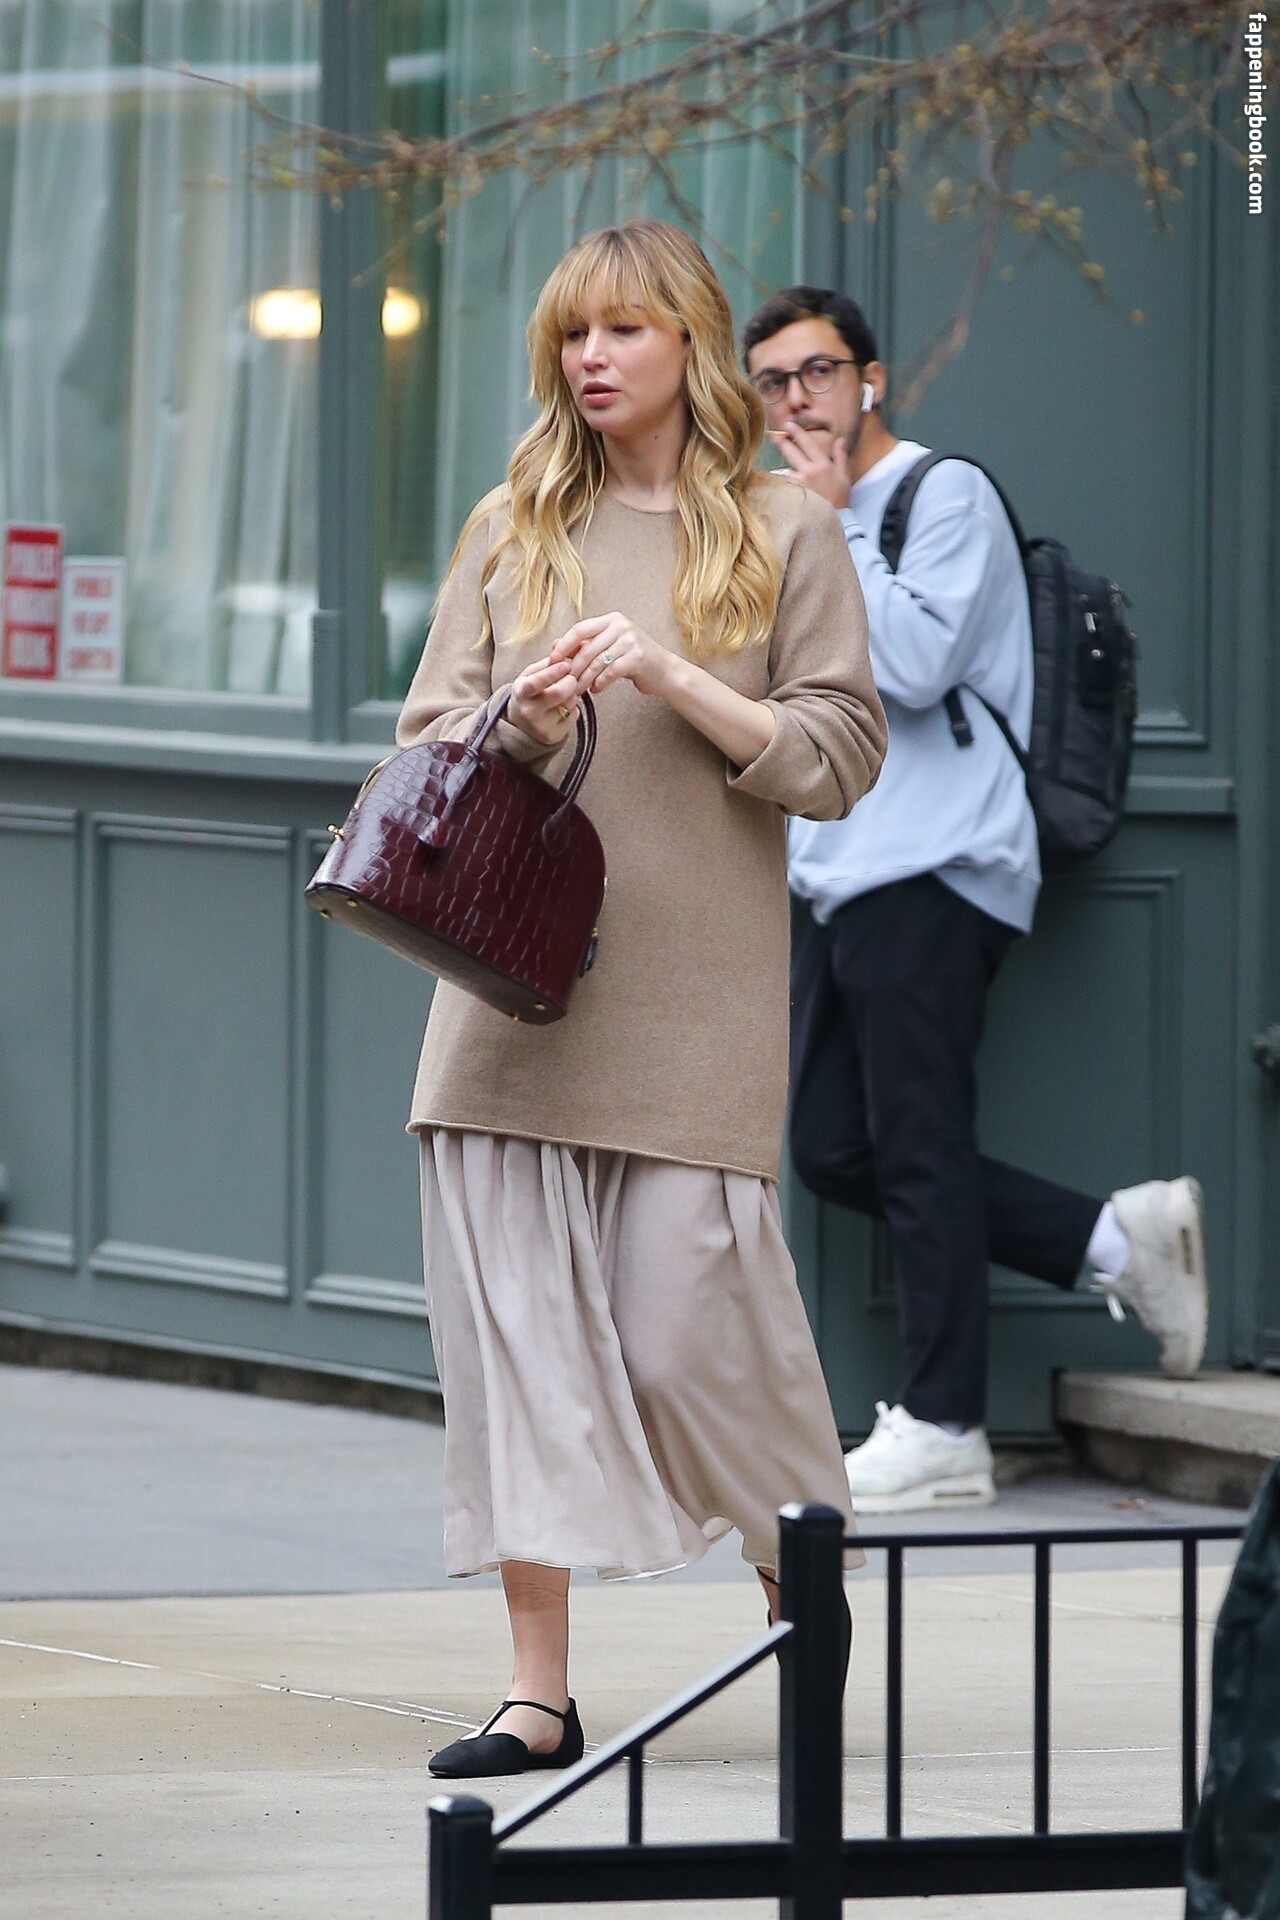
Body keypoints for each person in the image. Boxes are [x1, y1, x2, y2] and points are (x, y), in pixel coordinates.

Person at [395, 225, 886, 1778]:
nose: (591, 357)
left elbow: (839, 757)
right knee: (522, 1360)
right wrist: (524, 715)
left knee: (691, 1340)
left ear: (690, 341)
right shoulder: (514, 524)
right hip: (508, 1010)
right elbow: (422, 746)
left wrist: (674, 678)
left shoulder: (785, 529)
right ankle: (537, 1693)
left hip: (693, 1013)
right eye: (572, 334)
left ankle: (798, 1577)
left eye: (622, 329)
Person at [742, 285, 1209, 1515]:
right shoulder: (793, 514)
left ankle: (946, 1426)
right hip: (839, 866)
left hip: (940, 859)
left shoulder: (940, 495)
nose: (796, 398)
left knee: (917, 1142)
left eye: (817, 371)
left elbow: (906, 664)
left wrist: (830, 526)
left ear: (869, 379)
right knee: (834, 1146)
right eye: (772, 381)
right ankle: (1112, 1242)